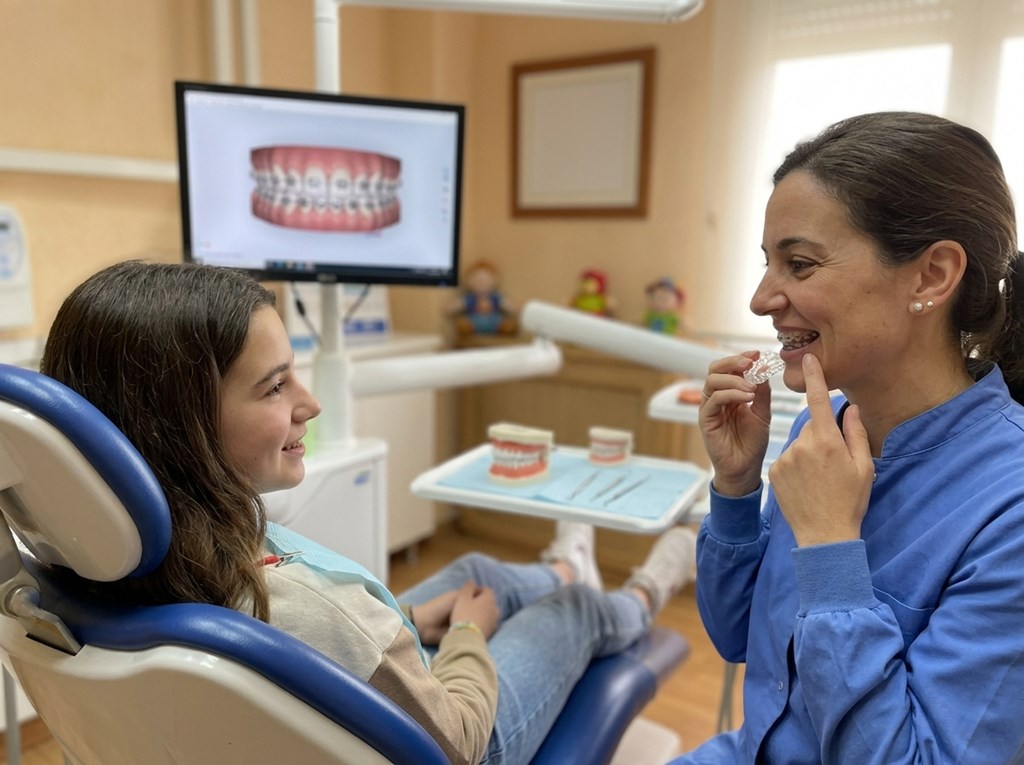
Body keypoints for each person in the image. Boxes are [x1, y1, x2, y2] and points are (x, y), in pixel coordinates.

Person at [40, 259, 696, 765]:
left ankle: (559, 565)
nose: (309, 401)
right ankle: (637, 593)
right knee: (571, 610)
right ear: (176, 427)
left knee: (474, 568)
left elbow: (309, 648)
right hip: (465, 738)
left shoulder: (83, 572)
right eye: (274, 385)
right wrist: (468, 634)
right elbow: (458, 739)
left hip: (320, 672)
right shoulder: (309, 605)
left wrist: (407, 619)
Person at [672, 111, 1024, 764]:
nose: (759, 298)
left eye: (798, 264)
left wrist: (833, 548)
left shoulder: (1011, 511)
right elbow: (737, 637)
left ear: (932, 276)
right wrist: (736, 488)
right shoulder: (823, 425)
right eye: (767, 263)